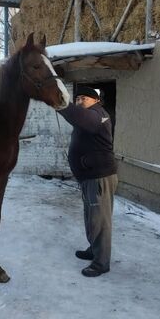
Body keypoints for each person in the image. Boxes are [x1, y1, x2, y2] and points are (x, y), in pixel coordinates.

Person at [58, 86, 118, 277]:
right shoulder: (89, 114)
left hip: (99, 177)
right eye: (77, 99)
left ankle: (101, 263)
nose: (79, 102)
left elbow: (84, 120)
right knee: (91, 217)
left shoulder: (98, 115)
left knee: (101, 220)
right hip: (89, 177)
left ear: (95, 100)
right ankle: (94, 249)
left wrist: (60, 104)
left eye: (83, 98)